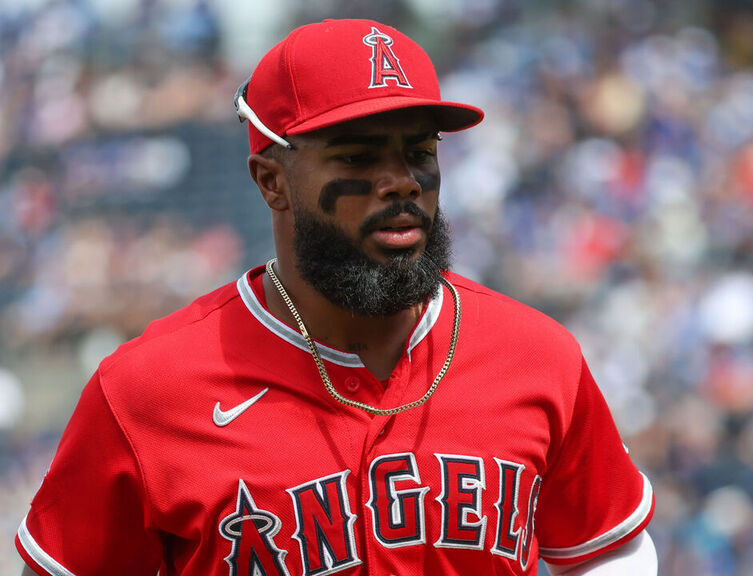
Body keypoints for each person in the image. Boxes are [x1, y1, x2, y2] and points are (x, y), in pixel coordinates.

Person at [16, 19, 657, 576]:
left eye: (418, 152)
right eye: (357, 157)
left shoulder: (535, 354)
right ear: (272, 181)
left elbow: (608, 549)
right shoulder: (148, 390)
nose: (400, 182)